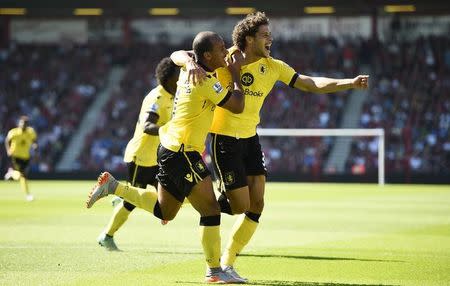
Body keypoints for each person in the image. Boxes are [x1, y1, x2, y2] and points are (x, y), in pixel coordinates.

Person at [171, 11, 369, 282]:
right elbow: (179, 53)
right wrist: (190, 63)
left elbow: (310, 83)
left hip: (251, 140)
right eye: (265, 35)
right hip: (224, 140)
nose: (270, 40)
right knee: (240, 206)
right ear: (249, 39)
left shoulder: (274, 66)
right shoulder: (224, 57)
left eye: (270, 35)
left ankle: (227, 264)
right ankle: (197, 200)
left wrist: (349, 83)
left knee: (258, 203)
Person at [86, 31, 246, 283]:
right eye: (221, 47)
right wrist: (236, 74)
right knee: (211, 209)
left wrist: (190, 60)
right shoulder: (203, 80)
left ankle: (113, 187)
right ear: (206, 55)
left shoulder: (190, 68)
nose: (225, 51)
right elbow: (237, 106)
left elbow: (178, 54)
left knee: (165, 212)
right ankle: (215, 271)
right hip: (183, 152)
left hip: (172, 149)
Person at [96, 57, 180, 251]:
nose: (181, 78)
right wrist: (169, 130)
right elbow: (148, 126)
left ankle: (125, 195)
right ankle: (107, 236)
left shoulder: (173, 96)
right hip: (140, 157)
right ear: (168, 78)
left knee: (172, 195)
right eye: (178, 75)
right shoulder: (156, 98)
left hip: (157, 159)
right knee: (130, 204)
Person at [4, 115, 38, 201]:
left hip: (26, 156)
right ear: (19, 123)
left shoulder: (31, 132)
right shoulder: (14, 132)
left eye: (25, 123)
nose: (24, 125)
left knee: (22, 176)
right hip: (16, 156)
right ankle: (28, 195)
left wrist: (35, 146)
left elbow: (34, 141)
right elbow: (7, 141)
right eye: (22, 123)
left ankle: (11, 173)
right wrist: (8, 150)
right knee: (23, 176)